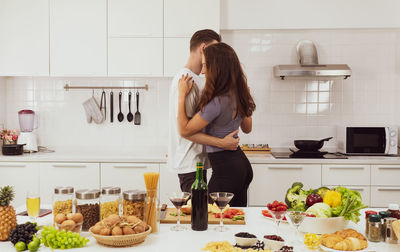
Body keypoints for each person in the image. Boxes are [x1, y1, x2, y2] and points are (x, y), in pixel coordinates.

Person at [177, 42, 256, 207]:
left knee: (209, 217)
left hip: (226, 171)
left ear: (217, 68)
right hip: (242, 165)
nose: (203, 71)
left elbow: (184, 129)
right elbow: (247, 129)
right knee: (236, 219)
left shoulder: (217, 102)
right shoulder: (238, 93)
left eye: (206, 66)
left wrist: (181, 95)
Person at [168, 30, 240, 193]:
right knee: (198, 216)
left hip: (199, 161)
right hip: (190, 163)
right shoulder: (186, 80)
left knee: (206, 215)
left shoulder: (199, 79)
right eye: (213, 49)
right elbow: (184, 130)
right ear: (203, 48)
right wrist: (222, 143)